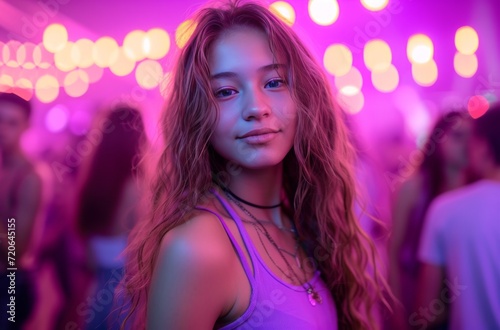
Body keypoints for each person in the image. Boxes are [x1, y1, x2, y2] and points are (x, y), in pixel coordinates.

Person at [121, 1, 391, 329]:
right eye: (226, 91)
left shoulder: (305, 221)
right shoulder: (197, 247)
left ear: (305, 96)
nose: (256, 108)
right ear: (197, 115)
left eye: (274, 82)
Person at [415, 104, 500, 330]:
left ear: (482, 147)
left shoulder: (444, 210)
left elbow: (427, 309)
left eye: (471, 139)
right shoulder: (420, 191)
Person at [388, 111, 471, 329]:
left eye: (470, 137)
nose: (465, 144)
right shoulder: (413, 187)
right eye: (457, 136)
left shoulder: (474, 190)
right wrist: (396, 310)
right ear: (438, 138)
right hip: (415, 293)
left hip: (462, 302)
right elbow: (393, 252)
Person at [73, 106, 146, 330]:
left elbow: (85, 240)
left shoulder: (91, 181)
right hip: (124, 284)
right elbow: (139, 247)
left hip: (96, 282)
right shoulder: (135, 187)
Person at [0, 92, 42, 329]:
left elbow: (15, 254)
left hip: (11, 286)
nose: (2, 129)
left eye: (12, 122)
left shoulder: (29, 178)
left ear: (25, 126)